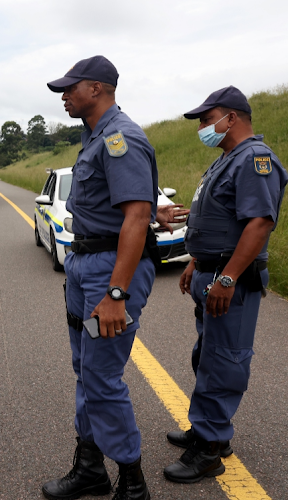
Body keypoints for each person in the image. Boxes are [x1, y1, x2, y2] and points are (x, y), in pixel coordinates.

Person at [42, 56, 159, 500]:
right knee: (86, 370)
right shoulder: (95, 136)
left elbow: (136, 216)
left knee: (102, 377)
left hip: (110, 272)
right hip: (86, 262)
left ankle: (132, 481)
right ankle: (91, 467)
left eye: (70, 89)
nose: (65, 97)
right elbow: (123, 206)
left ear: (97, 88)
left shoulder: (119, 136)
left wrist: (115, 293)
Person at [163, 86, 287, 483]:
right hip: (211, 272)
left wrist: (228, 276)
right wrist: (195, 262)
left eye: (206, 118)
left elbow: (260, 223)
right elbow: (222, 222)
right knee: (207, 355)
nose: (202, 127)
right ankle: (205, 428)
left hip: (229, 278)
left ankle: (211, 448)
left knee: (224, 362)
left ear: (231, 118)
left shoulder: (254, 159)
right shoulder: (226, 160)